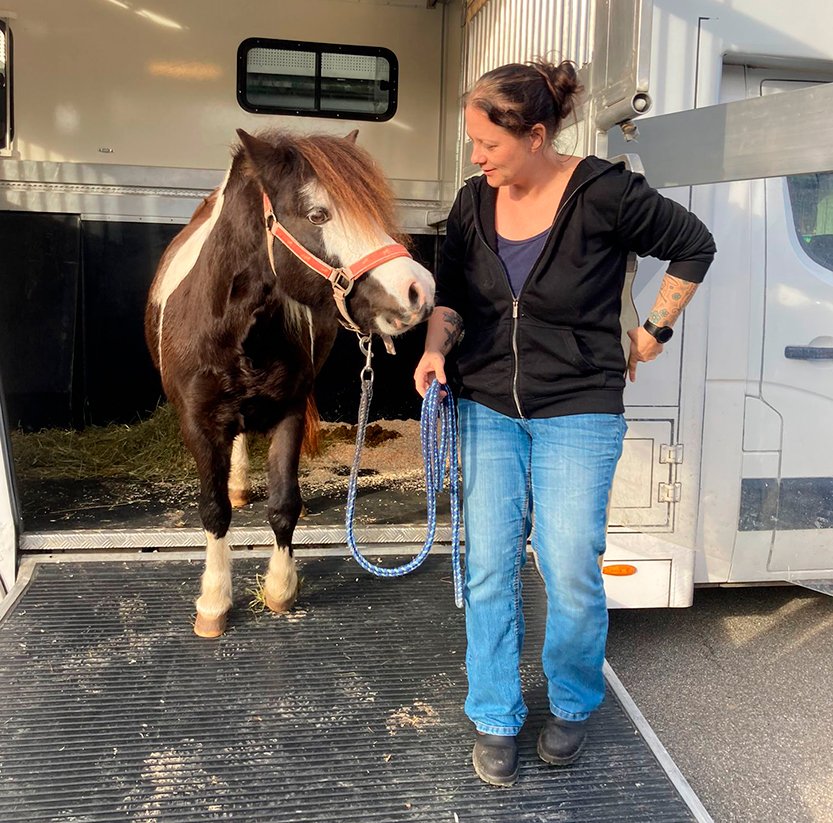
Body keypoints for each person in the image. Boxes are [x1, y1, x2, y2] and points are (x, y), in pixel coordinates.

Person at [414, 60, 716, 787]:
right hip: (486, 403)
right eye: (472, 144)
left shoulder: (605, 192)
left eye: (487, 144)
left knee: (569, 565)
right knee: (487, 566)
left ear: (536, 134)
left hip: (579, 404)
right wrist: (431, 348)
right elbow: (449, 295)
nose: (476, 158)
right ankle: (493, 713)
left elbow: (693, 244)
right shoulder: (469, 202)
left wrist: (652, 331)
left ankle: (574, 703)